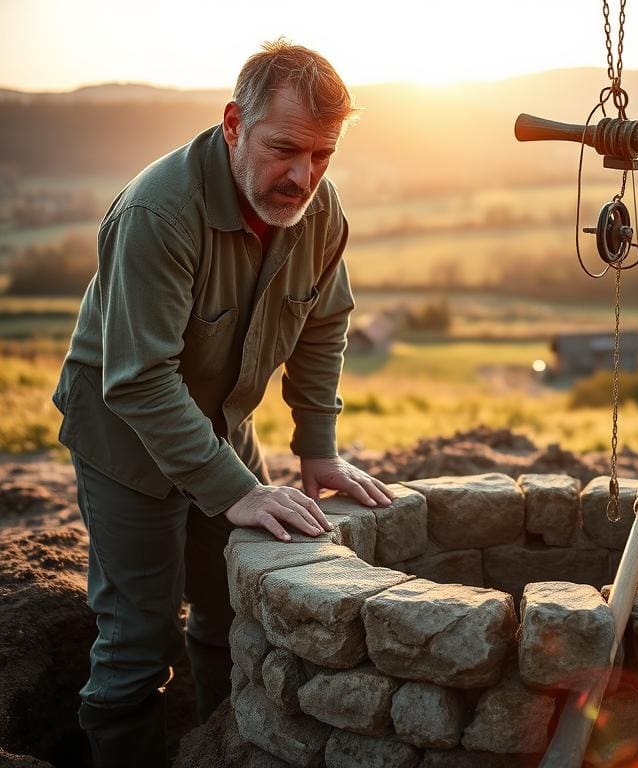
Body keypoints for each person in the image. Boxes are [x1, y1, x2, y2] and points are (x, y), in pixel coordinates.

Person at [51, 40, 393, 767]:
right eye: (284, 148)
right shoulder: (157, 213)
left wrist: (318, 447)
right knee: (138, 643)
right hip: (123, 438)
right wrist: (234, 490)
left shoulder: (318, 210)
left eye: (323, 155)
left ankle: (219, 750)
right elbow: (139, 380)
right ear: (235, 123)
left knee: (233, 609)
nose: (303, 176)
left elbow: (324, 322)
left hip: (222, 425)